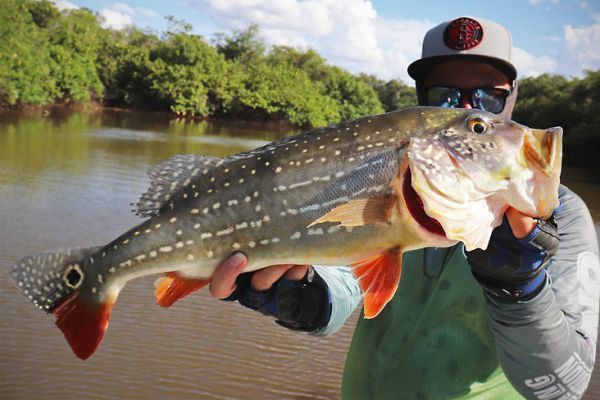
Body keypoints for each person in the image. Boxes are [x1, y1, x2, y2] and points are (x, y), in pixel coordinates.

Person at [208, 17, 600, 399]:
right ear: (420, 100)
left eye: (486, 100)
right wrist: (305, 298)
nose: (463, 107)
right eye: (443, 96)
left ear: (512, 96)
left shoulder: (563, 217)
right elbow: (347, 282)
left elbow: (563, 388)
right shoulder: (393, 183)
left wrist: (520, 289)